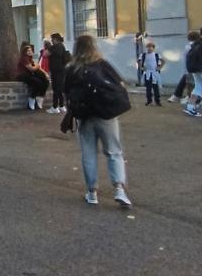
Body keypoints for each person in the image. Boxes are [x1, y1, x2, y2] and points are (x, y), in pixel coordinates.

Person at [64, 35, 133, 208]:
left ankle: (92, 192)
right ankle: (119, 189)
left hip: (84, 116)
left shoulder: (72, 68)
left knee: (88, 153)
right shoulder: (103, 65)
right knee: (113, 152)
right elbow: (121, 85)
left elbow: (66, 92)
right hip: (106, 115)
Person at [16, 42, 50, 110]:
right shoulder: (24, 58)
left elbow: (38, 68)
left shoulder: (30, 59)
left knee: (45, 82)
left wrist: (45, 74)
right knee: (37, 82)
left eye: (31, 50)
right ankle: (31, 99)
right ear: (24, 52)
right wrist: (37, 66)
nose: (30, 52)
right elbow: (32, 68)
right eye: (28, 51)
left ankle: (40, 98)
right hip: (22, 76)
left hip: (29, 75)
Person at [168, 31, 199, 103]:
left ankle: (177, 96)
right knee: (191, 83)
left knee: (188, 82)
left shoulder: (188, 46)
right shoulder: (193, 46)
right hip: (193, 68)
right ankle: (188, 97)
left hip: (188, 67)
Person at [46, 33, 69, 114]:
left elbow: (45, 54)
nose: (51, 40)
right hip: (62, 70)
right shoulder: (62, 46)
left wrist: (48, 46)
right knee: (59, 88)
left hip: (56, 71)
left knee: (56, 88)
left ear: (55, 39)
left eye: (52, 39)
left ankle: (55, 106)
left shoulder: (54, 47)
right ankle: (62, 106)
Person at [139, 41, 163, 106]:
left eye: (151, 47)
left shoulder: (156, 55)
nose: (149, 48)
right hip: (147, 73)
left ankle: (157, 101)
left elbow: (163, 61)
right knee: (148, 88)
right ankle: (149, 101)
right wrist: (141, 67)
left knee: (156, 88)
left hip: (155, 73)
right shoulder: (143, 55)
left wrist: (159, 67)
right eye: (148, 47)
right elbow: (139, 61)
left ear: (153, 48)